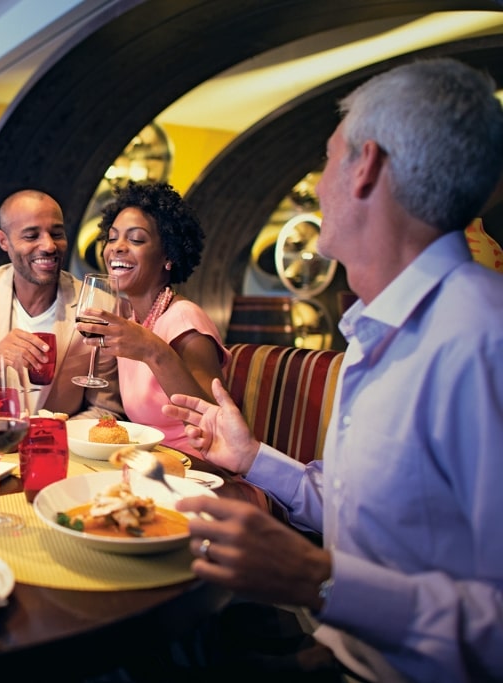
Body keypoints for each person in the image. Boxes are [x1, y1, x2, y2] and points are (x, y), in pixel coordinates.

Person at [161, 58, 503, 682]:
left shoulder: (482, 341)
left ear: (365, 166)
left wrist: (316, 578)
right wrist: (253, 457)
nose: (318, 186)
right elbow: (366, 517)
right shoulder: (377, 330)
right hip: (334, 652)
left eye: (327, 159)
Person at [0, 189, 124, 419]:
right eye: (31, 236)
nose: (49, 245)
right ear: (3, 241)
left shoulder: (102, 305)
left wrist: (48, 434)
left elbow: (107, 409)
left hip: (60, 449)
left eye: (57, 233)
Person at [77, 181, 228, 454]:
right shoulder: (131, 321)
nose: (117, 248)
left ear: (168, 255)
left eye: (136, 239)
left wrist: (154, 350)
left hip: (200, 470)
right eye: (112, 238)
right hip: (148, 463)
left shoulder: (184, 320)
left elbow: (215, 425)